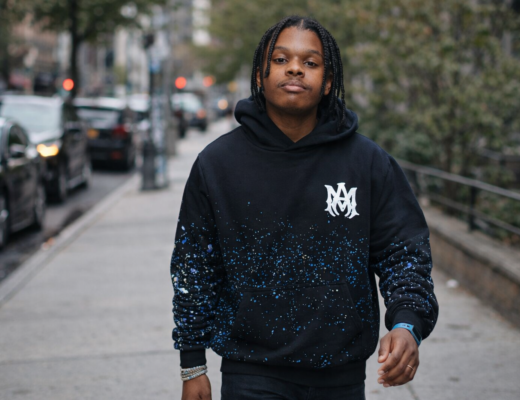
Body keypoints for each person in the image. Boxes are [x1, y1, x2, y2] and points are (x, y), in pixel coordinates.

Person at [171, 15, 439, 400]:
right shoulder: (217, 164)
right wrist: (192, 363)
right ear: (260, 75)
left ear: (328, 81)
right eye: (281, 59)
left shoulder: (367, 163)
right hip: (251, 372)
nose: (295, 68)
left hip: (341, 376)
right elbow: (194, 266)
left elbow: (404, 252)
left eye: (310, 62)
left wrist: (407, 323)